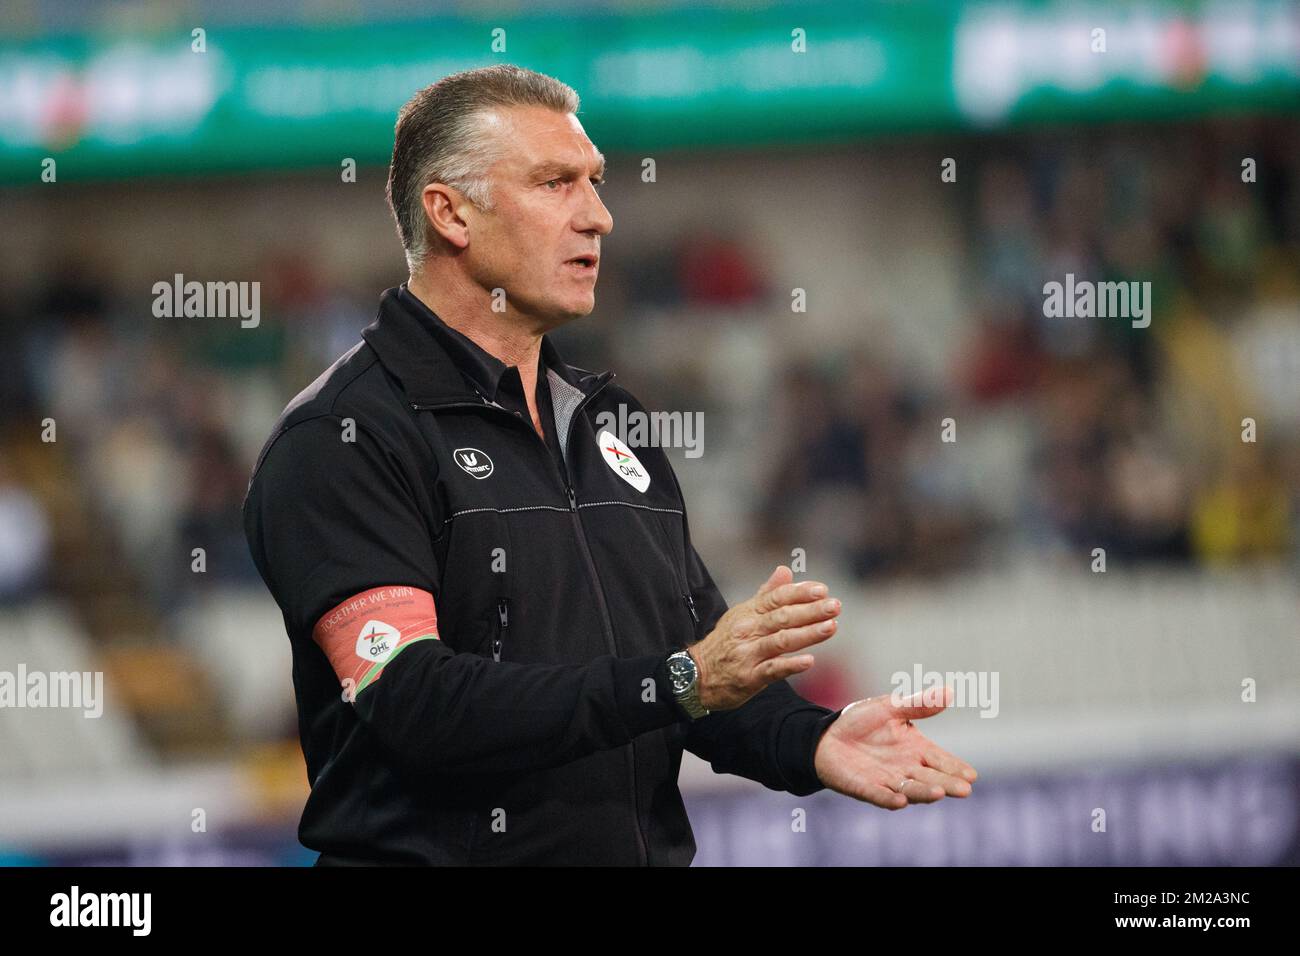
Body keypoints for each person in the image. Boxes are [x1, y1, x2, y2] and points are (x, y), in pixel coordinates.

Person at [242, 64, 977, 865]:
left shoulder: (607, 421)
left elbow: (695, 667)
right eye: (556, 184)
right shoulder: (343, 435)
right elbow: (418, 703)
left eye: (594, 182)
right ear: (449, 212)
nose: (599, 217)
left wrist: (812, 738)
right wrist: (680, 679)